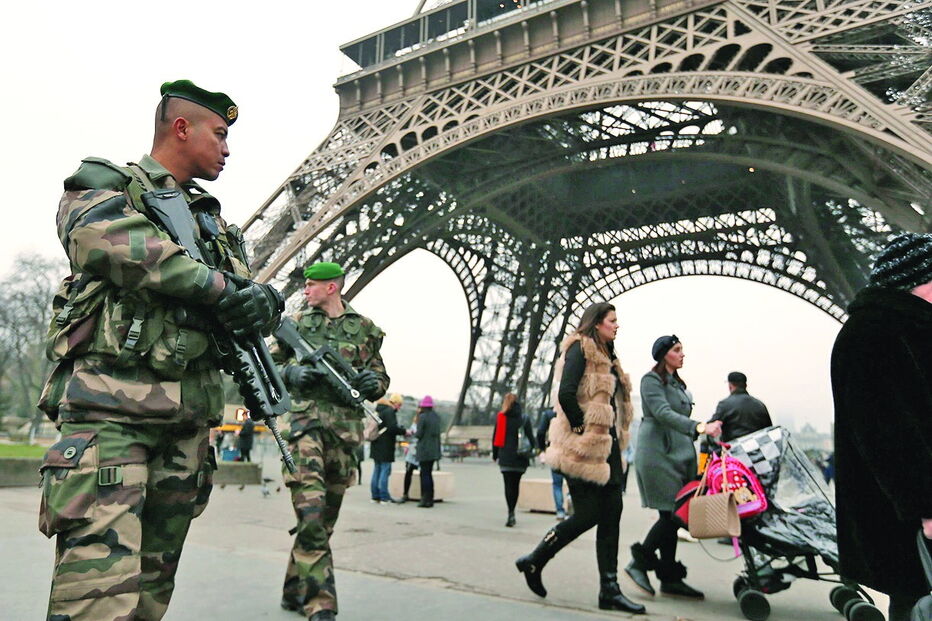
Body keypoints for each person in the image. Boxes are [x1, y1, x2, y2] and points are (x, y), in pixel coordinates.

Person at [36, 80, 284, 621]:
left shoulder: (212, 223)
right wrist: (222, 289)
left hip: (186, 426)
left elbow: (240, 298)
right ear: (181, 128)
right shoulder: (106, 185)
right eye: (219, 134)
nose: (227, 148)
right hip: (111, 419)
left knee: (151, 594)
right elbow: (113, 245)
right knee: (97, 598)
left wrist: (265, 301)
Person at [274, 261, 389, 621]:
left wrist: (374, 384)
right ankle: (320, 604)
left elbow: (380, 375)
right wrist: (291, 372)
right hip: (304, 427)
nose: (305, 290)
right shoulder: (293, 325)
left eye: (311, 285)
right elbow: (268, 366)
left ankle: (295, 588)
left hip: (344, 434)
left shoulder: (365, 329)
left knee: (323, 522)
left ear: (331, 287)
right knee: (310, 515)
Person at [515, 302, 645, 614]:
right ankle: (535, 560)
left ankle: (609, 589)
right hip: (583, 450)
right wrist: (580, 428)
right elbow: (566, 393)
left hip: (609, 450)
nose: (617, 325)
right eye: (613, 320)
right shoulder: (580, 347)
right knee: (588, 515)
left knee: (611, 514)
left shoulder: (609, 355)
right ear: (597, 322)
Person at [830, 232, 932, 621]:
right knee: (915, 599)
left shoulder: (895, 327)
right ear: (918, 278)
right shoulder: (875, 333)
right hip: (908, 513)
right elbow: (886, 433)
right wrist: (926, 506)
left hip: (904, 508)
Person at [624, 335, 722, 600]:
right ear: (664, 354)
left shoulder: (677, 384)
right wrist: (699, 427)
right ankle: (639, 563)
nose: (682, 354)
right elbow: (662, 413)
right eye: (677, 350)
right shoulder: (651, 380)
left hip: (678, 455)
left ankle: (669, 578)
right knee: (674, 515)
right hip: (658, 454)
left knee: (672, 513)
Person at [492, 393, 536, 526]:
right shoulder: (524, 418)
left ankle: (510, 512)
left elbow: (495, 438)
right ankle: (512, 510)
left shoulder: (501, 417)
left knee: (508, 486)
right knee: (515, 485)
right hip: (520, 458)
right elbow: (531, 439)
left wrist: (495, 455)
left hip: (506, 456)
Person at [708, 371, 772, 442]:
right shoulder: (760, 404)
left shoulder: (724, 404)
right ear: (746, 385)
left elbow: (711, 427)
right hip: (758, 447)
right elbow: (769, 429)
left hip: (735, 447)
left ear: (730, 386)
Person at [370, 393, 406, 504]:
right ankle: (384, 496)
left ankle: (375, 496)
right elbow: (392, 428)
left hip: (375, 443)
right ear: (394, 403)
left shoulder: (379, 410)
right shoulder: (389, 411)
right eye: (399, 404)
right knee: (385, 471)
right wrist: (403, 431)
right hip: (386, 446)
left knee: (376, 470)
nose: (399, 407)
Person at [536, 407, 567, 519]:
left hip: (555, 450)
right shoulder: (572, 409)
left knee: (557, 484)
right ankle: (572, 502)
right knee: (573, 482)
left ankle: (560, 511)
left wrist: (542, 448)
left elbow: (540, 432)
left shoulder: (549, 414)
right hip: (570, 451)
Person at [415, 395, 442, 508]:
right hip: (434, 450)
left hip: (424, 450)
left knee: (424, 474)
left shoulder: (422, 417)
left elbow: (419, 434)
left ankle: (424, 499)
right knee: (429, 474)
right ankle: (430, 498)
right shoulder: (436, 417)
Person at [400, 412, 419, 503]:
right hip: (412, 451)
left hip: (416, 451)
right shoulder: (413, 426)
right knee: (408, 473)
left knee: (409, 473)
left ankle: (406, 494)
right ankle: (405, 493)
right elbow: (408, 439)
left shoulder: (417, 426)